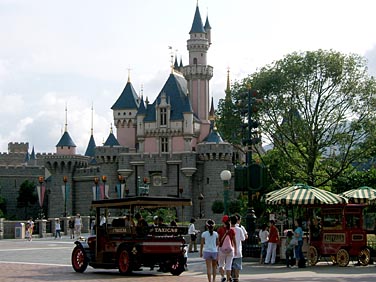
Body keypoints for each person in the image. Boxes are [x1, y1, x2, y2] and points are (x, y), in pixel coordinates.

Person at [217, 215, 236, 282]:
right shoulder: (232, 230)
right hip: (230, 250)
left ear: (223, 222)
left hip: (222, 250)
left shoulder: (220, 229)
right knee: (229, 266)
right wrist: (235, 249)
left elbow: (218, 241)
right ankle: (228, 280)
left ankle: (223, 277)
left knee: (221, 264)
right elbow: (234, 241)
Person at [231, 215, 246, 282]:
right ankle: (236, 278)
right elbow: (243, 239)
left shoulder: (228, 229)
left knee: (229, 265)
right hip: (238, 250)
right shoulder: (239, 229)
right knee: (237, 265)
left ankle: (231, 277)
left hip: (229, 250)